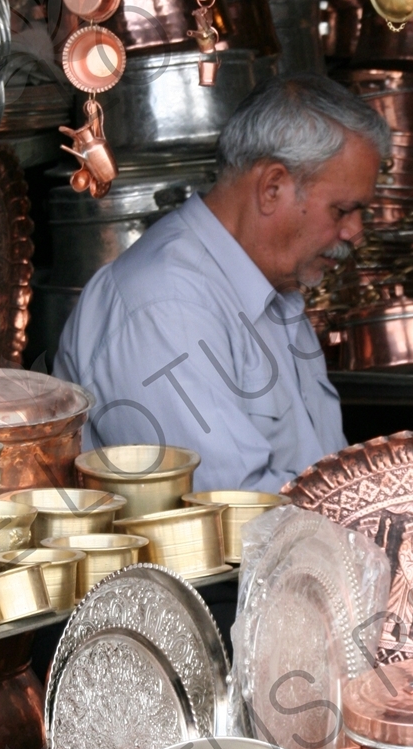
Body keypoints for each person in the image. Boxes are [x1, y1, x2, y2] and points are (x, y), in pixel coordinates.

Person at [54, 74, 389, 492]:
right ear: (272, 187)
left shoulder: (274, 292)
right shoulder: (167, 306)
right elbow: (235, 512)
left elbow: (331, 478)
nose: (354, 232)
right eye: (342, 210)